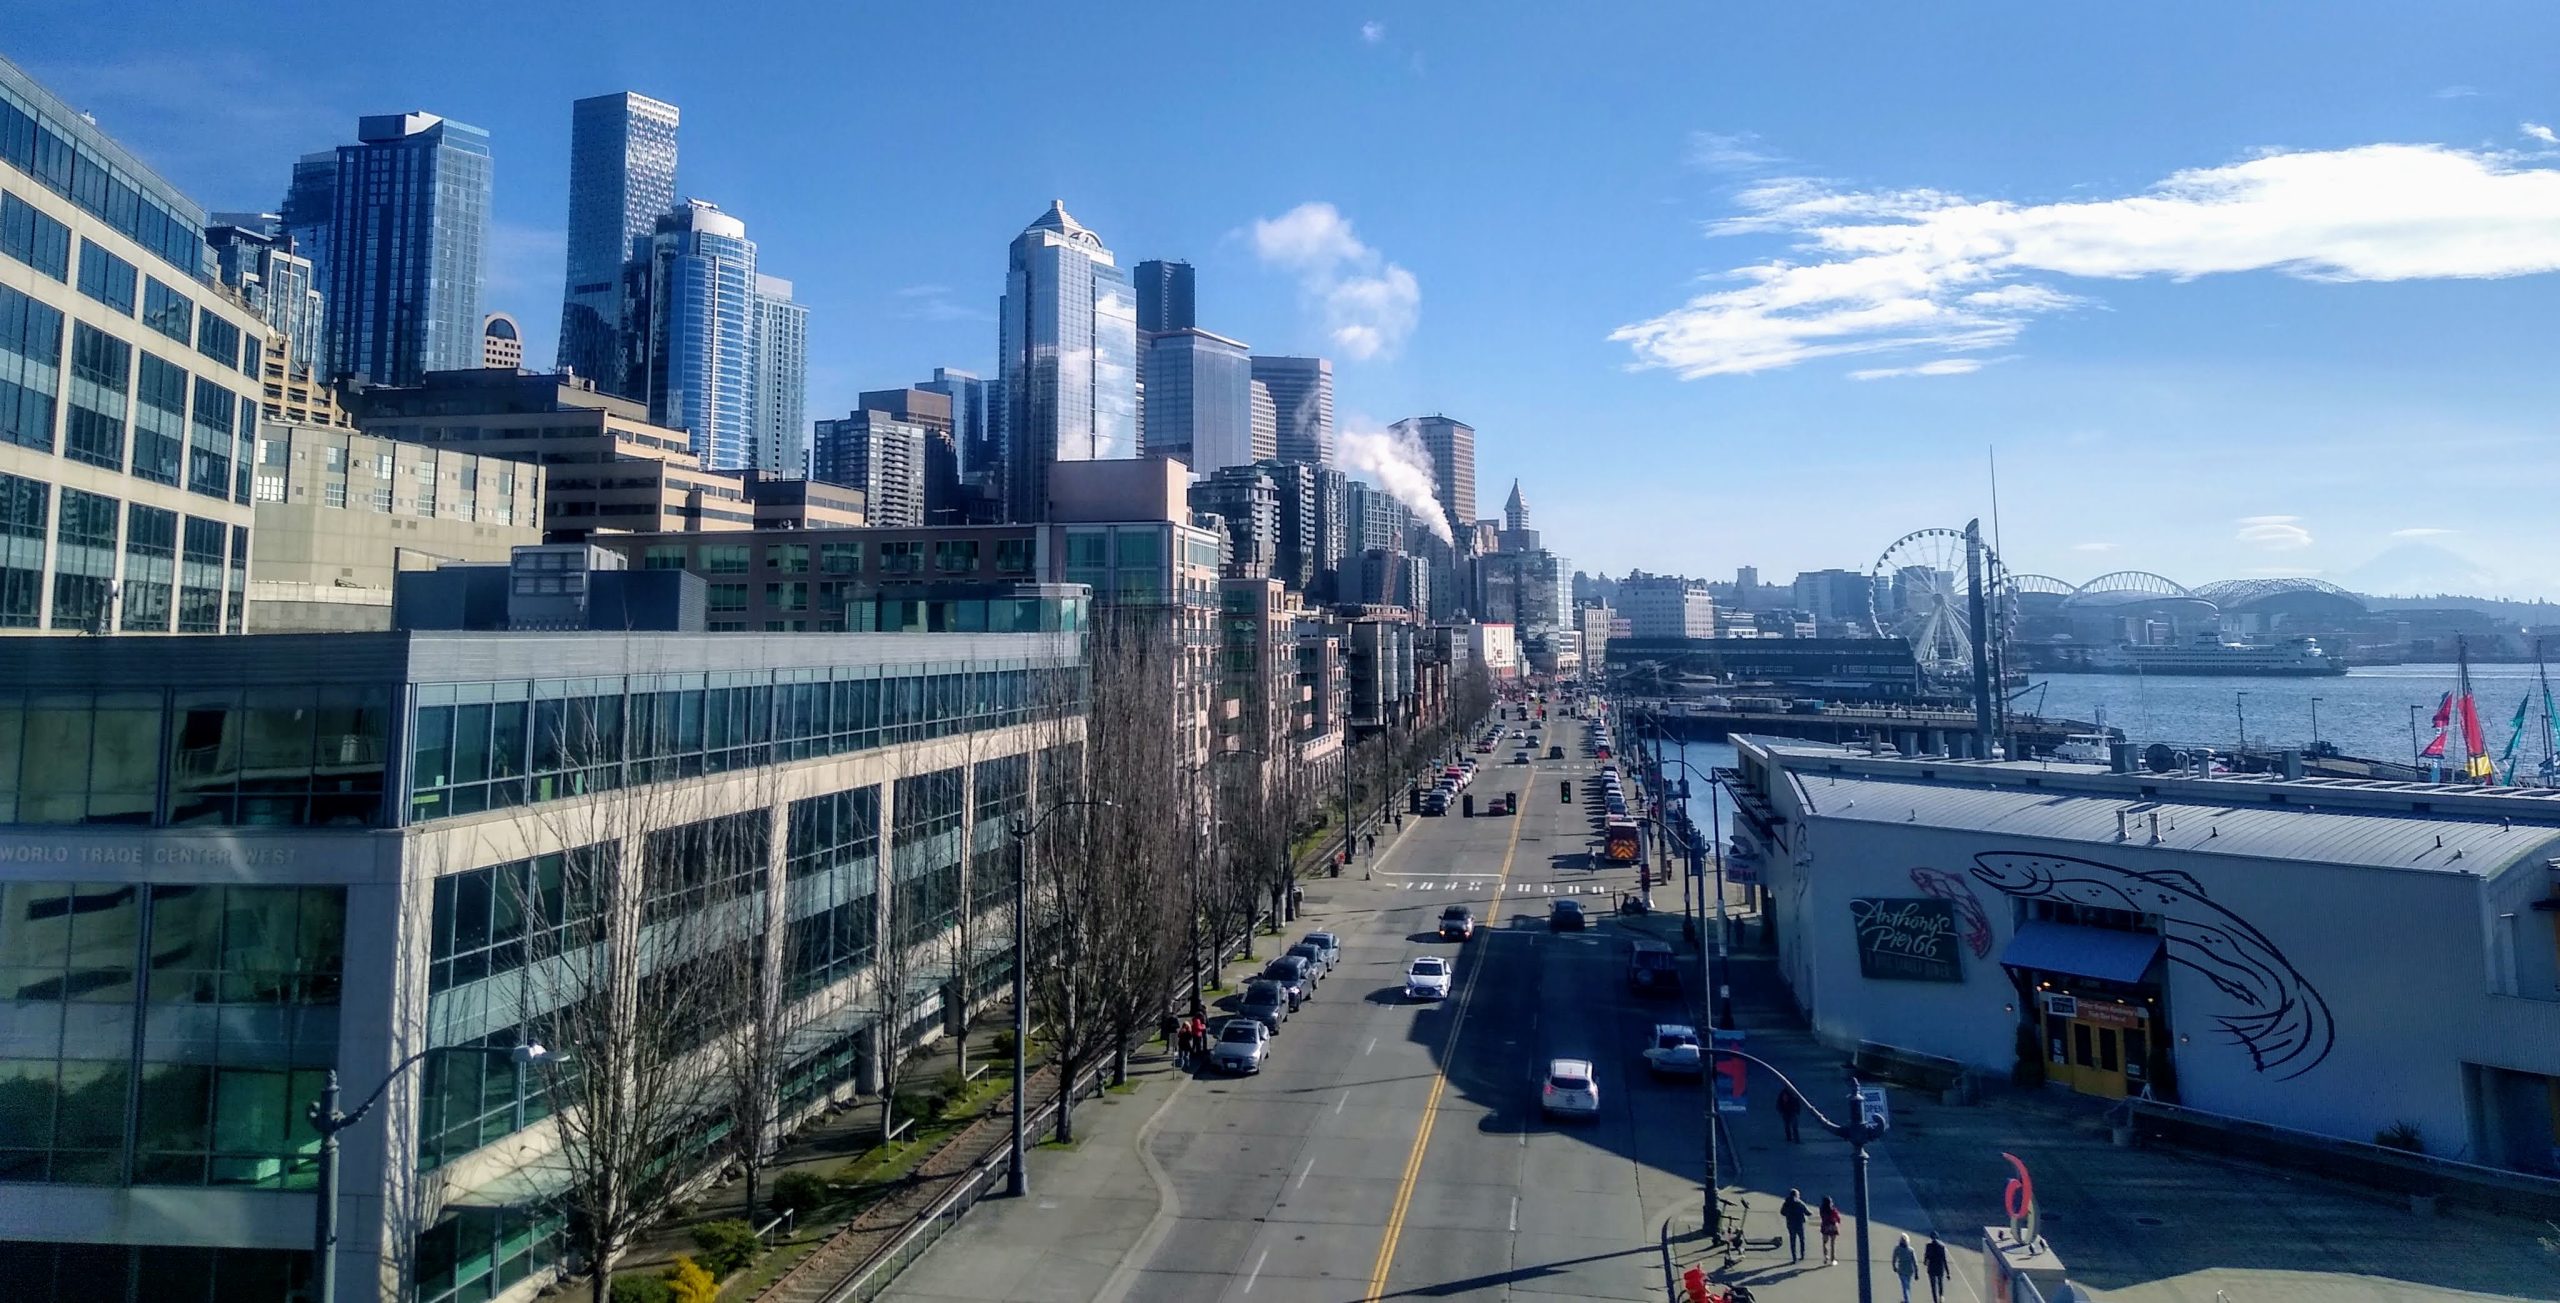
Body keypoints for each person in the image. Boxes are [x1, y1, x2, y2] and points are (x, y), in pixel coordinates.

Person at [1778, 1189, 1810, 1264]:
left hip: (1790, 1224)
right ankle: (1802, 1255)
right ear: (1797, 1195)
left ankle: (1794, 1258)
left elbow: (1782, 1212)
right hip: (1799, 1223)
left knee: (1792, 1240)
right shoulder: (1800, 1203)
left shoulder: (1786, 1203)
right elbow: (1808, 1212)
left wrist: (1788, 1215)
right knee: (1802, 1239)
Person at [1922, 1233, 1951, 1303]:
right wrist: (1948, 1272)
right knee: (1940, 1283)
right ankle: (1941, 1297)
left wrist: (1925, 1262)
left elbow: (1926, 1256)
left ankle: (1935, 1300)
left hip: (1931, 1268)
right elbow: (1944, 1260)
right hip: (1940, 1267)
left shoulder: (1928, 1246)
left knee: (1933, 1286)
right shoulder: (1942, 1246)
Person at [1891, 1234, 1919, 1303]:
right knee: (1907, 1285)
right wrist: (1916, 1273)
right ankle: (1907, 1298)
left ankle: (1907, 1299)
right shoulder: (1911, 1250)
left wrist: (1894, 1266)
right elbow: (1915, 1262)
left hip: (1901, 1270)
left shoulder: (1897, 1249)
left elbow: (1894, 1259)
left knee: (1904, 1285)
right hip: (1909, 1270)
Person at [1818, 1196, 1842, 1267]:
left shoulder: (1822, 1209)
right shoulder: (1833, 1210)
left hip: (1825, 1226)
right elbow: (1838, 1218)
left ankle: (1825, 1256)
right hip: (1833, 1226)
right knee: (1832, 1243)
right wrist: (1838, 1222)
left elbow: (1822, 1217)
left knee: (1825, 1242)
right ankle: (1833, 1259)